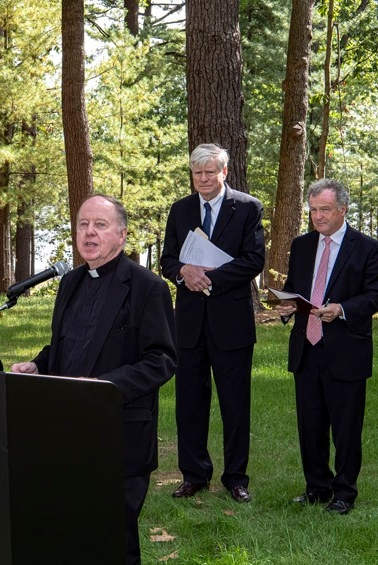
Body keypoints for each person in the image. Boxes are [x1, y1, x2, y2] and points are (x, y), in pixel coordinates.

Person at [11, 194, 177, 565]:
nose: (89, 233)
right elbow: (66, 346)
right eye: (83, 224)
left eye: (100, 225)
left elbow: (162, 360)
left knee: (114, 539)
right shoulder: (69, 283)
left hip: (119, 433)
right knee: (69, 530)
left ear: (121, 235)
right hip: (66, 430)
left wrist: (104, 388)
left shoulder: (148, 287)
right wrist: (39, 365)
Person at [273, 178, 378, 515]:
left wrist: (341, 309)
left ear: (342, 209)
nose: (318, 217)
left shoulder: (366, 247)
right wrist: (287, 307)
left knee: (346, 426)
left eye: (324, 210)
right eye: (313, 210)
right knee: (310, 423)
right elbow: (296, 288)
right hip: (307, 348)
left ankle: (344, 493)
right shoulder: (302, 245)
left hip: (346, 350)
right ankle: (316, 487)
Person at [159, 143, 265, 503]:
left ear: (224, 173)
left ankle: (236, 478)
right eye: (197, 172)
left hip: (231, 321)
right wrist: (182, 272)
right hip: (188, 322)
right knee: (190, 402)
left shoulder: (248, 208)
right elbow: (167, 260)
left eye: (209, 172)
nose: (203, 179)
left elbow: (253, 260)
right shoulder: (181, 210)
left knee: (235, 404)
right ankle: (194, 475)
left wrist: (211, 277)